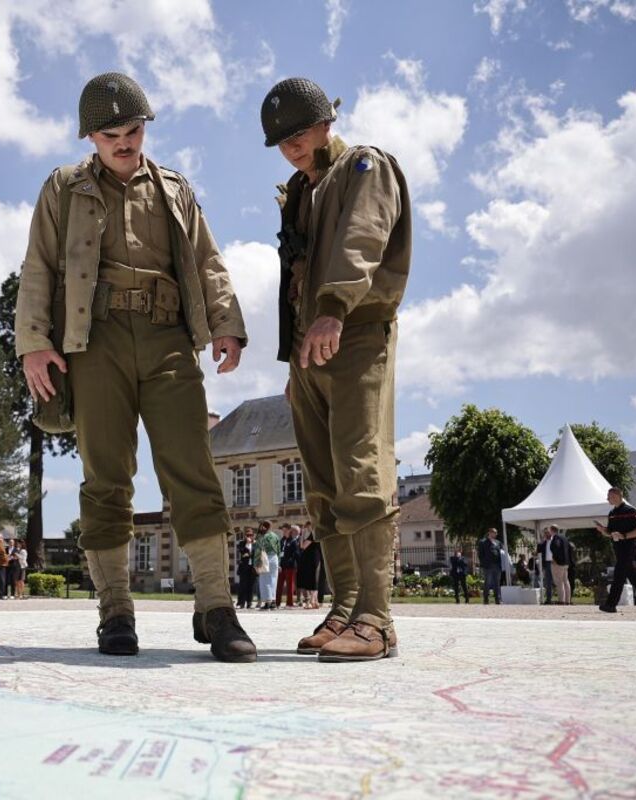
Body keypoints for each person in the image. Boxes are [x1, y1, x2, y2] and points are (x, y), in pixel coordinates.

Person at [16, 72, 255, 663]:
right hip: (92, 340)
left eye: (133, 130)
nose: (124, 142)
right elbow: (39, 266)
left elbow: (207, 259)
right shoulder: (63, 188)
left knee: (192, 468)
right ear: (89, 137)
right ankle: (115, 610)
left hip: (168, 335)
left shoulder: (175, 188)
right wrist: (34, 342)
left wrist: (225, 321)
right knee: (106, 477)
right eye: (110, 134)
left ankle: (217, 608)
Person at [261, 78, 411, 662]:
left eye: (299, 134)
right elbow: (295, 275)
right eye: (281, 140)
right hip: (310, 352)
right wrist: (296, 354)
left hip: (353, 336)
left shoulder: (363, 167)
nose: (291, 147)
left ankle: (377, 619)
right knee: (323, 488)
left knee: (362, 477)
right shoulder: (302, 189)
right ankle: (346, 608)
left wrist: (331, 312)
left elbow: (362, 240)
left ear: (326, 122)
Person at [595, 487, 636, 613]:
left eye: (609, 496)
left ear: (617, 496)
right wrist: (603, 530)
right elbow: (611, 533)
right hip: (618, 548)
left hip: (628, 548)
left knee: (618, 575)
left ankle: (610, 604)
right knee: (633, 577)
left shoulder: (631, 511)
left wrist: (624, 536)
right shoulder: (612, 513)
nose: (607, 499)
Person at [256, 523, 282, 611]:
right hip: (275, 559)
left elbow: (258, 550)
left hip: (265, 557)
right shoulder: (276, 536)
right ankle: (273, 603)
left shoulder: (262, 537)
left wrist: (256, 563)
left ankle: (267, 603)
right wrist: (279, 563)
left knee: (265, 580)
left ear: (264, 527)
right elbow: (279, 550)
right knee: (273, 580)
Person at [476, 529, 503, 605]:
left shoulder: (498, 542)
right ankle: (486, 599)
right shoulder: (483, 542)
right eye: (494, 532)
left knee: (497, 583)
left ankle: (497, 599)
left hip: (497, 565)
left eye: (496, 533)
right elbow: (480, 554)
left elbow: (501, 552)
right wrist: (484, 563)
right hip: (488, 566)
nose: (496, 534)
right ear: (489, 533)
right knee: (487, 583)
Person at [277, 525, 300, 608]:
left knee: (290, 585)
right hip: (281, 566)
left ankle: (289, 603)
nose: (284, 532)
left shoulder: (293, 541)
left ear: (289, 531)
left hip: (290, 566)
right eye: (283, 530)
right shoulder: (282, 540)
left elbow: (296, 554)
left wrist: (292, 561)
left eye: (285, 530)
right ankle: (277, 602)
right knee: (279, 585)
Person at [297, 532, 322, 609]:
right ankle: (315, 601)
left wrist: (301, 537)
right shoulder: (318, 534)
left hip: (311, 559)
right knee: (315, 580)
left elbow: (303, 546)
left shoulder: (312, 535)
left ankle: (312, 601)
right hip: (316, 558)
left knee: (312, 581)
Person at [235, 528, 256, 609]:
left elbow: (255, 554)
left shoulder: (255, 544)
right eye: (248, 535)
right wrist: (247, 544)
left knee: (251, 585)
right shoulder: (242, 543)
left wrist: (249, 553)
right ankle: (241, 602)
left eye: (251, 535)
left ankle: (249, 602)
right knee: (243, 585)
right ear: (245, 536)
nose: (249, 537)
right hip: (244, 567)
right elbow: (242, 552)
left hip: (252, 567)